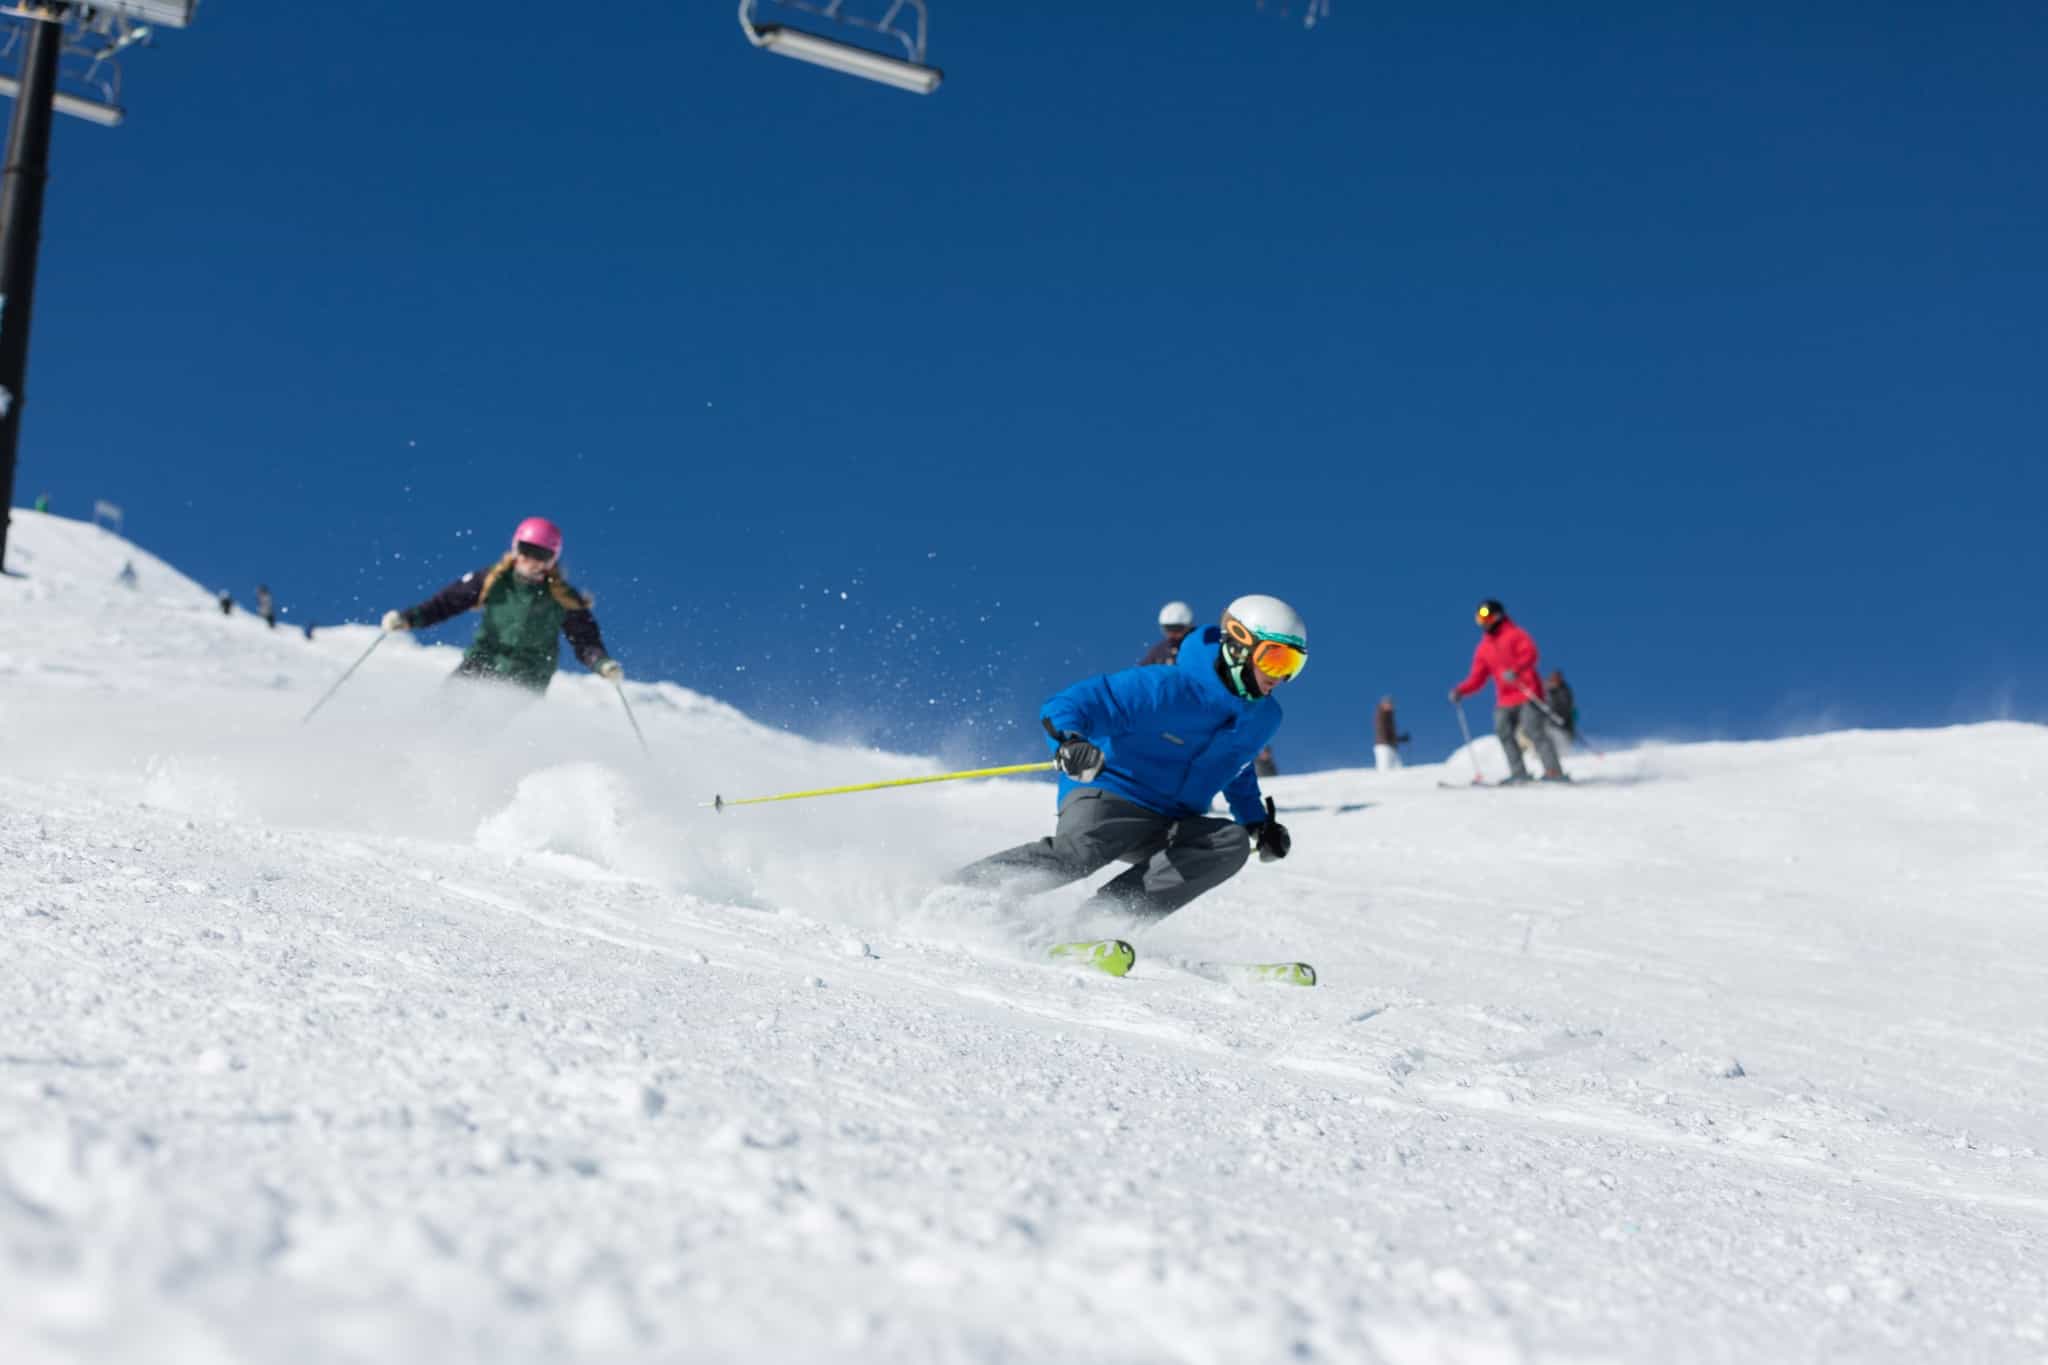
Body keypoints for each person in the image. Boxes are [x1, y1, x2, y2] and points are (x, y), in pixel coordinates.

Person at [956, 595, 1305, 922]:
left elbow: (1237, 765)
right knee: (1080, 853)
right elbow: (1069, 704)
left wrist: (1255, 823)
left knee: (1229, 844)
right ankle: (959, 891)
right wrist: (1070, 741)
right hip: (1113, 794)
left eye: (1294, 663)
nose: (1282, 675)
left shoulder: (1263, 717)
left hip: (1172, 820)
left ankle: (1103, 922)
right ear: (1238, 645)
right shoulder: (1163, 687)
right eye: (1275, 658)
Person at [380, 516, 622, 694]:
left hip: (528, 675)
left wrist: (602, 664)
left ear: (551, 560)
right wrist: (409, 618)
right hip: (483, 659)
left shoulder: (564, 598)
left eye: (541, 555)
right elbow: (446, 603)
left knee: (483, 723)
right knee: (444, 706)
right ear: (516, 548)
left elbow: (585, 641)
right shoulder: (493, 580)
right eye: (526, 550)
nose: (531, 560)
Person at [1448, 599, 1566, 784]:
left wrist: (1517, 670)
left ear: (1497, 616)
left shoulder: (1515, 635)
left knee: (1532, 730)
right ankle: (1519, 773)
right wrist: (1461, 690)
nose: (1483, 622)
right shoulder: (1484, 648)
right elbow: (1477, 677)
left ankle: (1553, 771)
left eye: (1485, 617)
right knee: (1503, 731)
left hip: (1526, 691)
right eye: (1479, 619)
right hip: (1505, 698)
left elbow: (1530, 654)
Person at [1138, 600, 1196, 665]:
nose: (1172, 634)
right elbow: (1141, 671)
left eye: (1177, 629)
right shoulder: (1161, 651)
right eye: (1168, 630)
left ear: (1188, 626)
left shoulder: (1201, 644)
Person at [1373, 695, 1410, 772]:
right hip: (1383, 746)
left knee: (1398, 769)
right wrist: (1390, 739)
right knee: (1384, 770)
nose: (1391, 706)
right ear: (1383, 705)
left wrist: (1402, 739)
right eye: (1388, 703)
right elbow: (1382, 731)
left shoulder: (1389, 716)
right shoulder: (1381, 716)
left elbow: (1391, 735)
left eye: (1391, 704)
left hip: (1391, 747)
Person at [1545, 670, 1577, 742]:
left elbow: (1568, 705)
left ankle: (1566, 743)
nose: (1555, 682)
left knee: (1567, 728)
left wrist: (1563, 717)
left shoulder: (1564, 690)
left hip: (1564, 718)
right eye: (1553, 680)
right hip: (1549, 717)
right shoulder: (1546, 689)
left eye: (1557, 679)